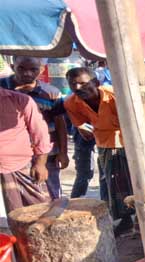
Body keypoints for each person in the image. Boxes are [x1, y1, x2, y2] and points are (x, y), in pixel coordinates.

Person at [64, 67, 134, 235]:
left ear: (96, 83)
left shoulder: (114, 96)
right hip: (103, 144)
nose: (78, 88)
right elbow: (79, 124)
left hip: (126, 144)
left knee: (128, 184)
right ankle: (123, 221)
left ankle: (132, 220)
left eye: (83, 83)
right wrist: (84, 129)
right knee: (109, 185)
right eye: (73, 84)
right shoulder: (71, 102)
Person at [1, 56, 68, 199]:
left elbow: (60, 124)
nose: (27, 73)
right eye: (21, 68)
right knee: (14, 197)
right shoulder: (2, 88)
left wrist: (63, 152)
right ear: (13, 67)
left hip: (47, 153)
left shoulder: (51, 93)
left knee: (50, 193)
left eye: (33, 69)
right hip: (12, 155)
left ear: (42, 70)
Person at [0, 88, 52, 213]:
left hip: (18, 167)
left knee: (37, 215)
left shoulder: (21, 100)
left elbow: (40, 133)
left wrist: (40, 164)